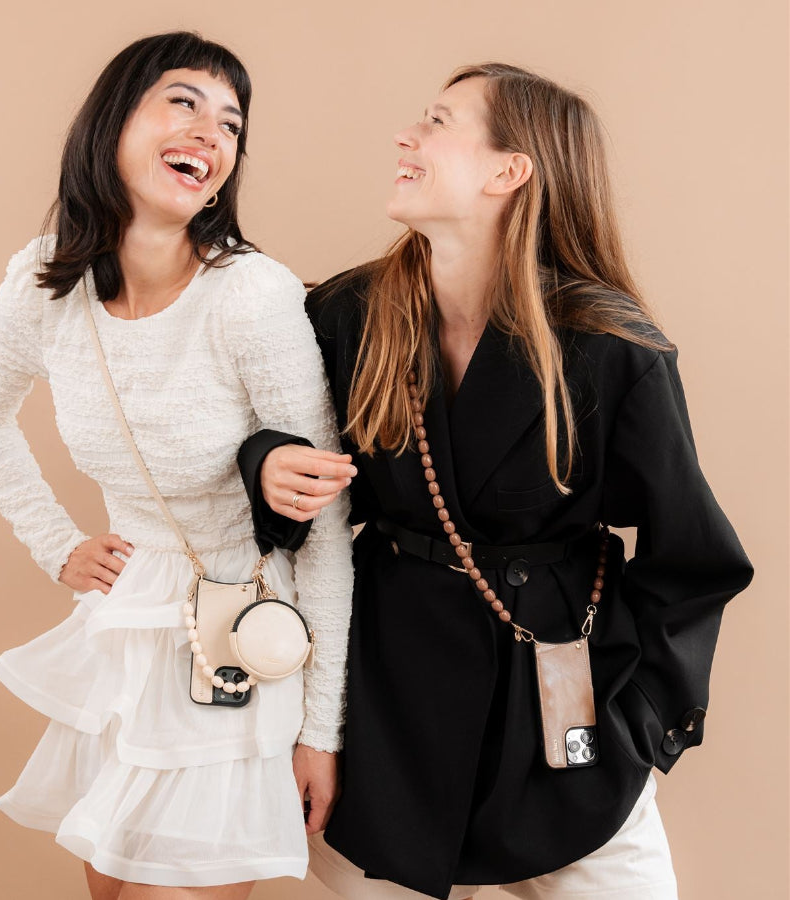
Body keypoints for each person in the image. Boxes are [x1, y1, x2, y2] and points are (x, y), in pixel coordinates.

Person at [237, 63, 753, 900]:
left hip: (563, 707)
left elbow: (694, 557)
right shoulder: (347, 314)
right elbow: (288, 472)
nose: (406, 136)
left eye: (438, 122)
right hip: (388, 707)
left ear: (509, 170)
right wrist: (266, 464)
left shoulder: (612, 347)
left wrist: (642, 724)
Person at [0, 32, 353, 900]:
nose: (211, 133)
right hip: (128, 629)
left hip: (240, 642)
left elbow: (326, 525)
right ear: (113, 123)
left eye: (231, 124)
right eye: (184, 102)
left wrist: (321, 730)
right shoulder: (44, 281)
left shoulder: (252, 295)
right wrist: (56, 544)